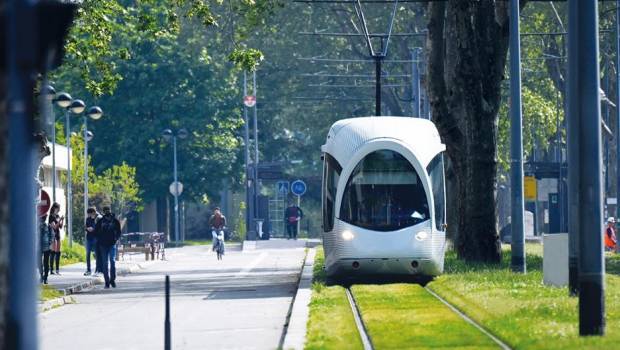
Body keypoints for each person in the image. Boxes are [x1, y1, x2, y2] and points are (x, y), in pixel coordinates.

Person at [95, 206, 121, 288]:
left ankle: (112, 280)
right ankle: (107, 282)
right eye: (105, 210)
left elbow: (119, 231)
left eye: (108, 210)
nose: (107, 212)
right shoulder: (100, 221)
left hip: (112, 244)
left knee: (112, 261)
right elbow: (96, 231)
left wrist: (116, 239)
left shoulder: (115, 220)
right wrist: (99, 239)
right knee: (105, 263)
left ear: (110, 211)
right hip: (103, 244)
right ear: (103, 212)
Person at [84, 207, 101, 276]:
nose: (89, 216)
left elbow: (99, 228)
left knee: (97, 254)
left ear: (93, 213)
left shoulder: (98, 218)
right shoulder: (88, 219)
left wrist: (93, 229)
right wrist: (87, 228)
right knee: (88, 254)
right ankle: (88, 270)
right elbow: (85, 227)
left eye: (89, 214)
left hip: (96, 238)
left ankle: (97, 269)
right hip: (89, 238)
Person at [48, 202, 64, 275]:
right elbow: (54, 227)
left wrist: (62, 220)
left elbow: (60, 226)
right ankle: (51, 269)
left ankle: (57, 269)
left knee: (58, 252)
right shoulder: (51, 216)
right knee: (53, 251)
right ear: (55, 208)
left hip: (57, 234)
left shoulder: (57, 216)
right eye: (58, 208)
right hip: (52, 235)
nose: (59, 210)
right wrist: (60, 220)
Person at [39, 213, 53, 284]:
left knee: (46, 263)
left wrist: (50, 242)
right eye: (43, 217)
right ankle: (41, 276)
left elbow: (52, 235)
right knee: (39, 263)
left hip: (47, 246)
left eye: (45, 217)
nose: (44, 218)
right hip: (39, 246)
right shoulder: (37, 225)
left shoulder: (48, 226)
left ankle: (46, 277)